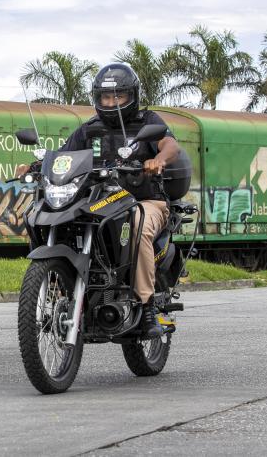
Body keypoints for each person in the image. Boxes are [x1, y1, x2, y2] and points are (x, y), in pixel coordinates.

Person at [17, 63, 180, 338]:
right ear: (97, 98)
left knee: (137, 225)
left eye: (118, 96)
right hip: (102, 201)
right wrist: (35, 166)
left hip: (144, 200)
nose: (111, 102)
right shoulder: (89, 130)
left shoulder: (147, 122)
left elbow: (170, 145)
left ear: (132, 96)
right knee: (46, 215)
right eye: (106, 97)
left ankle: (147, 304)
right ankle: (63, 286)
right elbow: (63, 157)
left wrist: (158, 160)